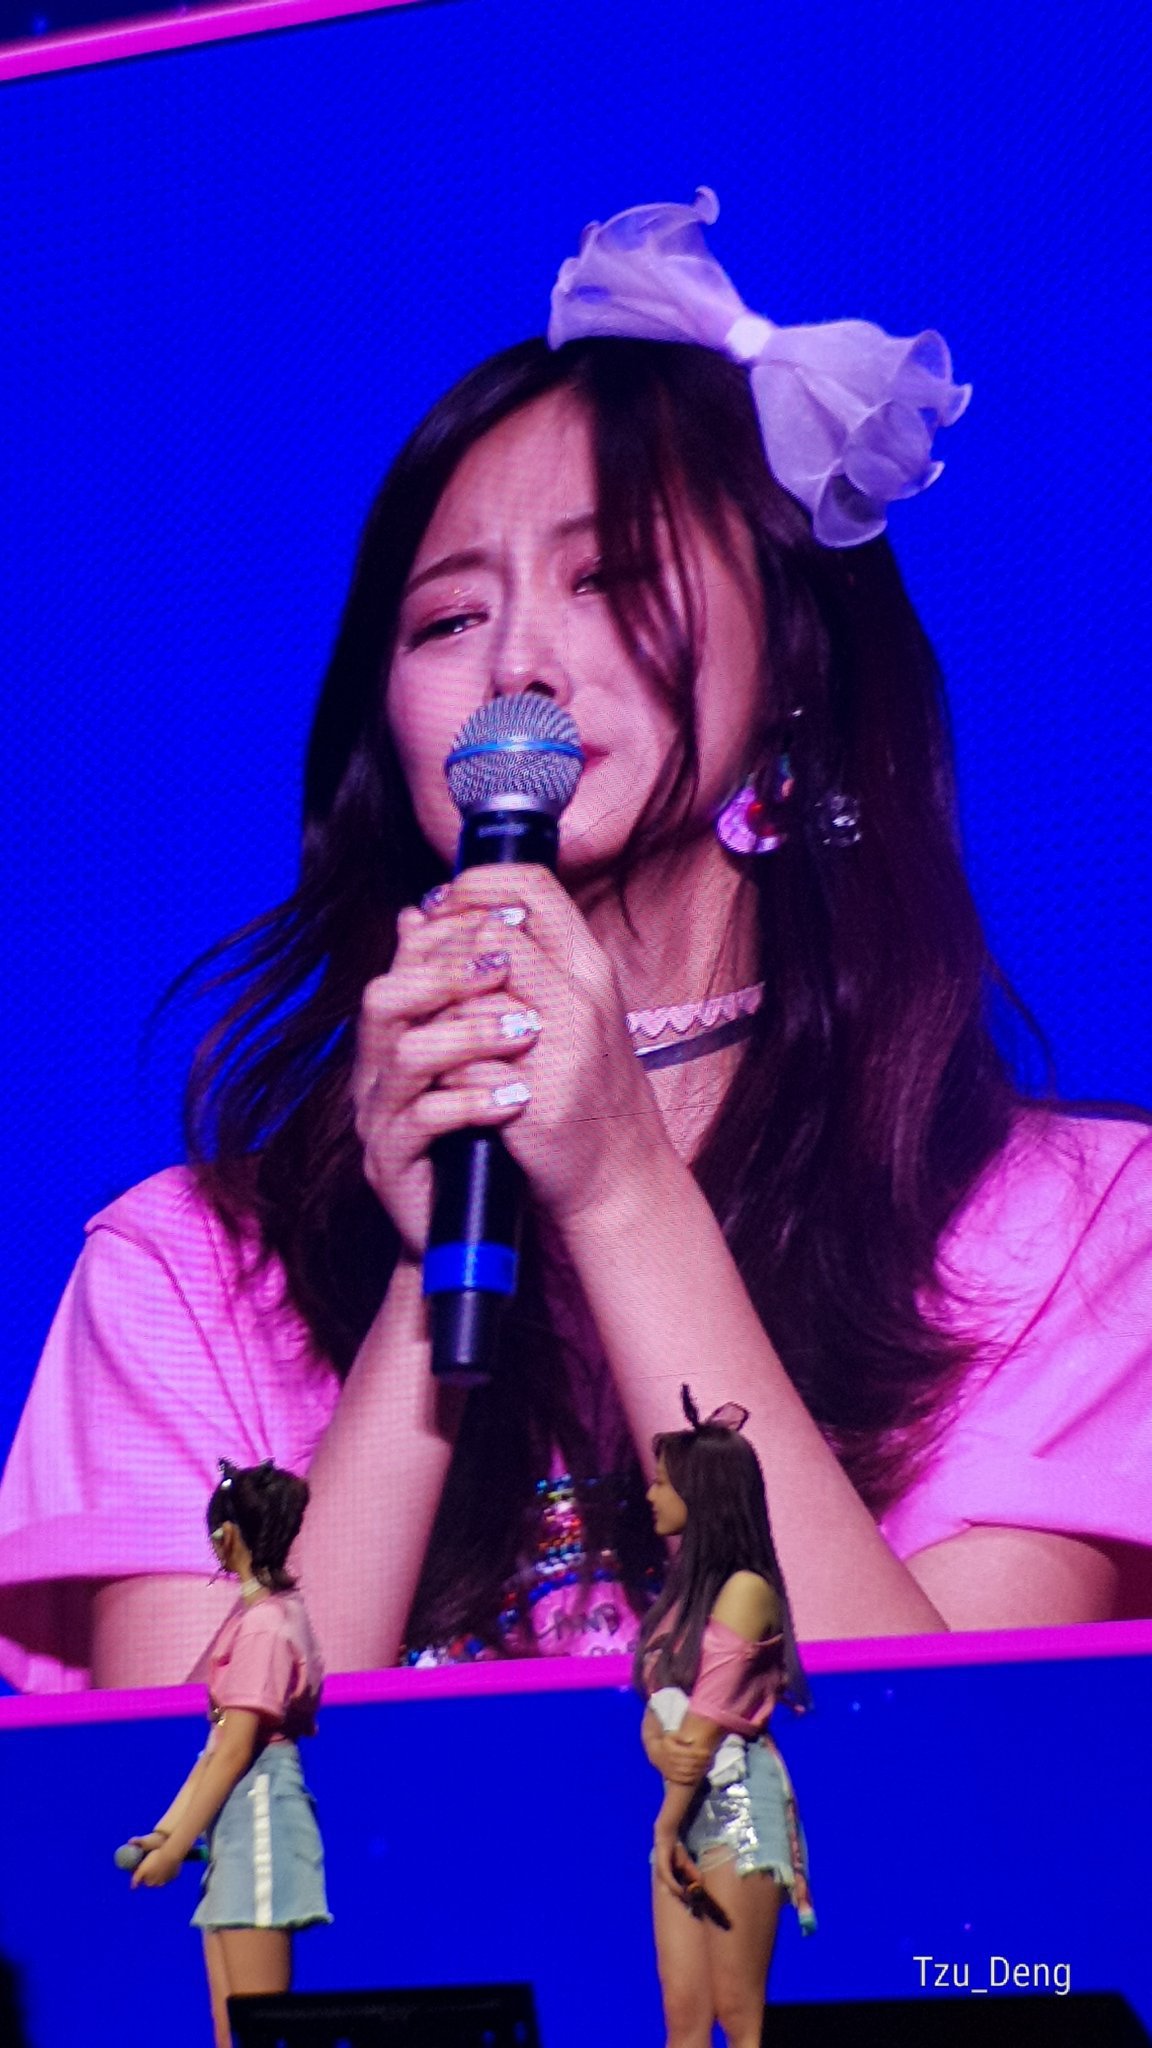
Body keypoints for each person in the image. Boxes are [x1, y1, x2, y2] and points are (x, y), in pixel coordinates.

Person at [1, 189, 1150, 1693]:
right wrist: (425, 1287)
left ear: (794, 669)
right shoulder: (191, 1277)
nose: (518, 663)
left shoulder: (1072, 1237)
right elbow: (201, 1822)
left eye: (610, 577)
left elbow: (938, 1799)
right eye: (445, 621)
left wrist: (619, 1190)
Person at [125, 1461, 329, 2048]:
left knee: (258, 2029)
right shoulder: (257, 1618)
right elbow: (216, 1750)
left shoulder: (266, 1626)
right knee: (230, 2031)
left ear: (228, 1535)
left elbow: (236, 1749)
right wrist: (167, 1833)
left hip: (259, 1822)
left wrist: (177, 1848)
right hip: (236, 1828)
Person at [638, 1393, 814, 2048]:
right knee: (684, 2018)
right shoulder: (682, 1596)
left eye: (663, 1482)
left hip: (736, 1807)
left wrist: (663, 1827)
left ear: (701, 1494)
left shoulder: (746, 1589)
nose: (651, 1495)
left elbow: (704, 1725)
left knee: (739, 2017)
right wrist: (657, 1745)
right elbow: (661, 1707)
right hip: (683, 1809)